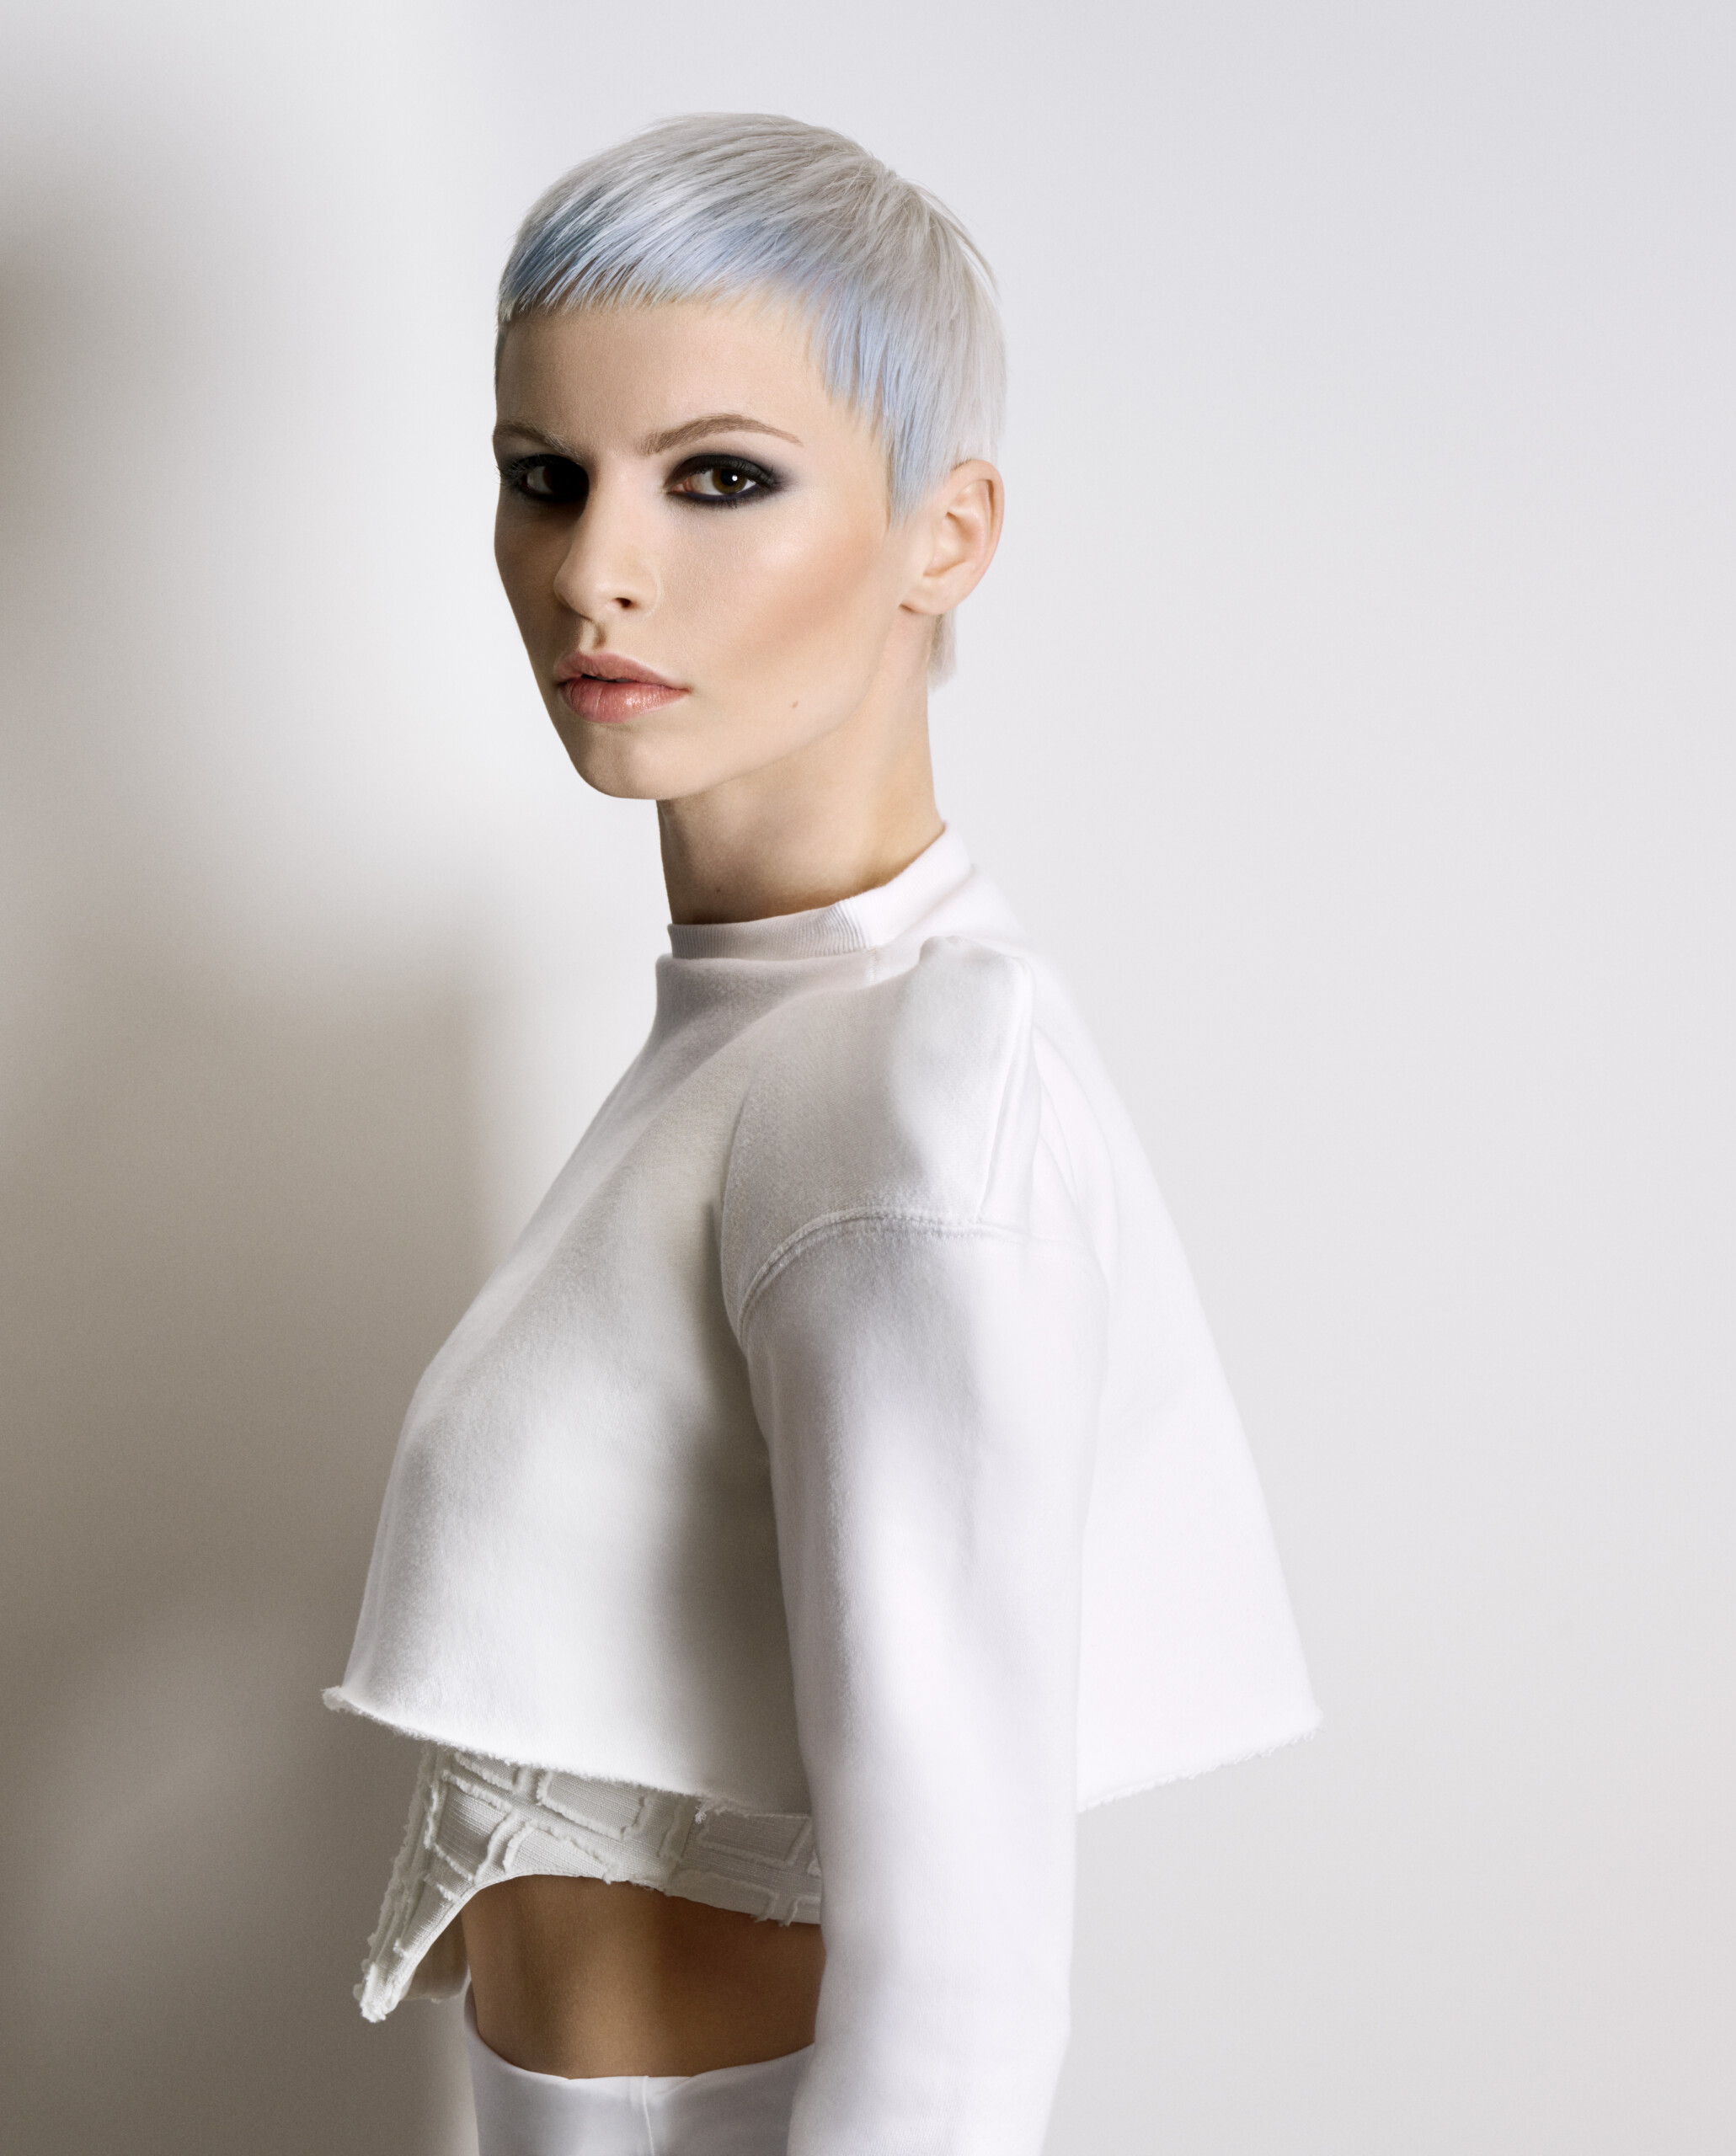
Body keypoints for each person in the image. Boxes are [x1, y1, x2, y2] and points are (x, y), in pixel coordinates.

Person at [326, 112, 1318, 2156]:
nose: (593, 567)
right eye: (544, 475)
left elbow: (961, 1998)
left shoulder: (903, 1084)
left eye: (717, 477)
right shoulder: (750, 1036)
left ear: (943, 534)